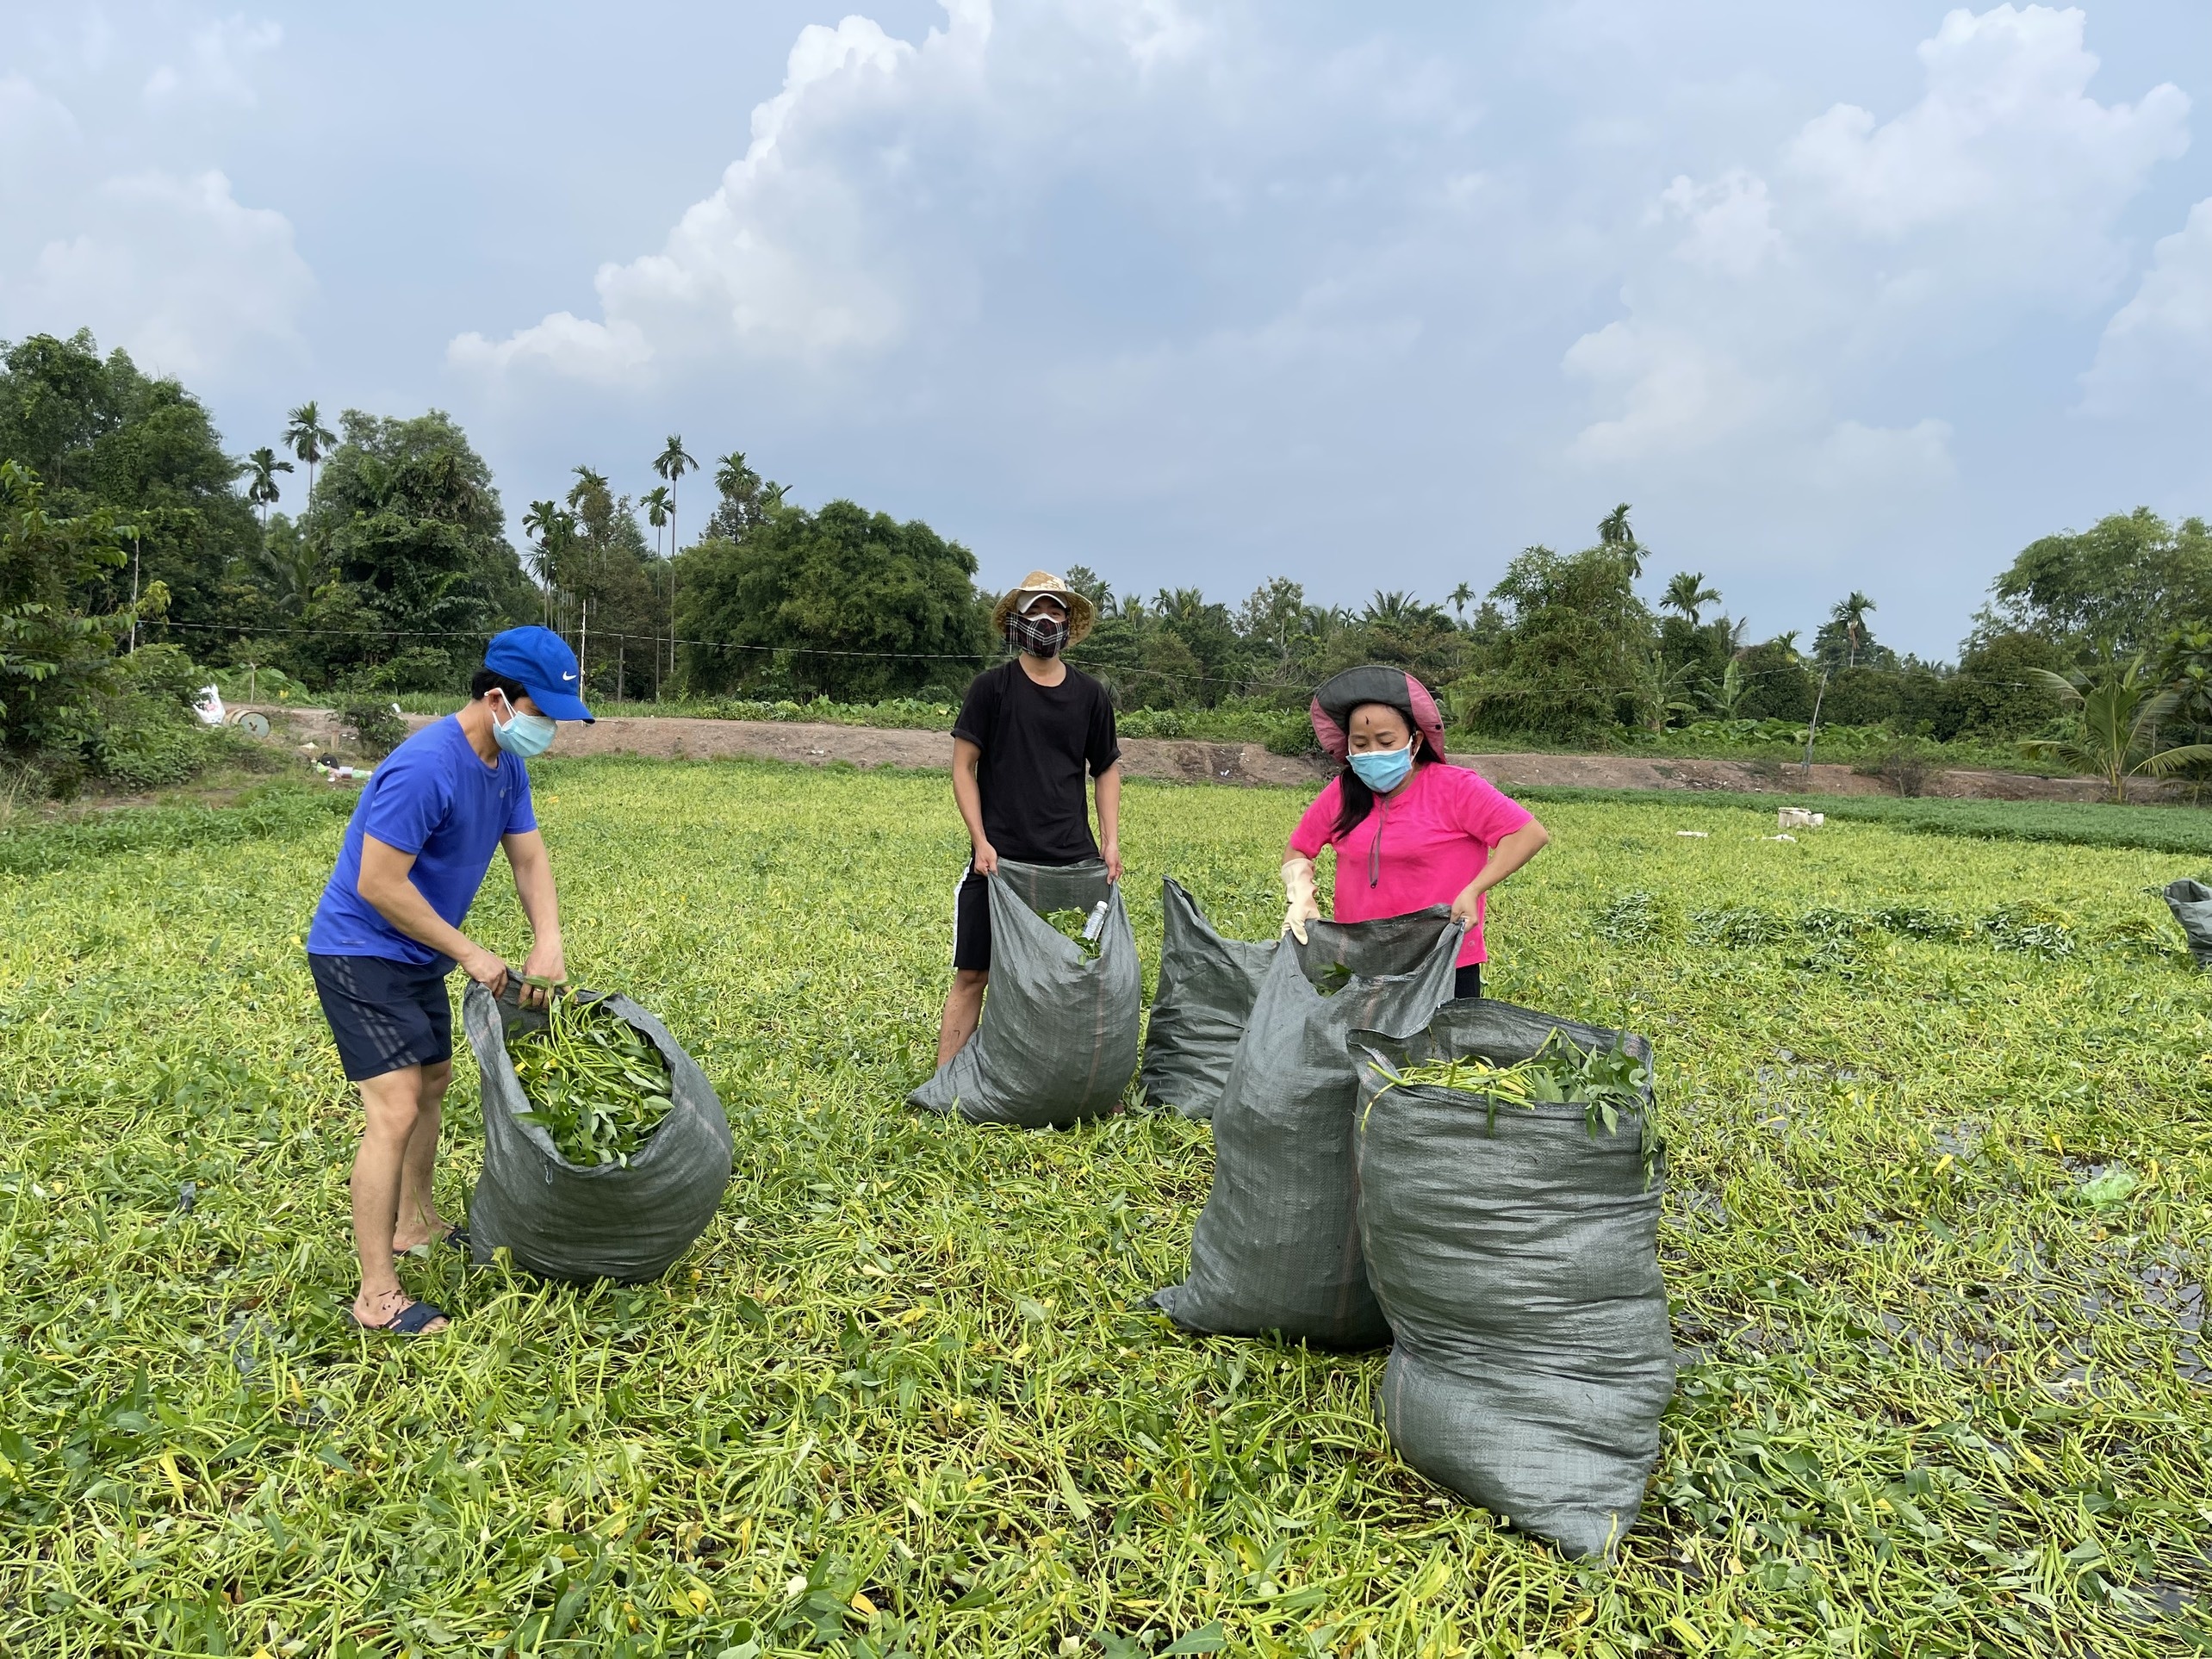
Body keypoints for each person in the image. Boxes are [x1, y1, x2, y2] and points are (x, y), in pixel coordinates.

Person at [305, 626, 592, 1336]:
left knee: (433, 1083)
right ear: (497, 699)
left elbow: (527, 858)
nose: (549, 729)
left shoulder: (505, 766)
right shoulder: (426, 765)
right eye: (542, 714)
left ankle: (416, 1222)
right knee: (396, 1105)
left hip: (415, 956)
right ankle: (377, 1296)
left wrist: (547, 939)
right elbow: (378, 882)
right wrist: (470, 951)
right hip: (360, 950)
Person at [936, 570, 1123, 1066]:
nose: (1046, 619)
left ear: (1068, 623)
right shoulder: (991, 689)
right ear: (1017, 621)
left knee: (1075, 975)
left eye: (1056, 610)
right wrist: (980, 840)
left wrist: (1110, 841)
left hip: (1071, 860)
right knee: (974, 973)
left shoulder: (1089, 696)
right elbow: (963, 767)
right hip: (998, 859)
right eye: (1036, 610)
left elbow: (1106, 768)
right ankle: (945, 1082)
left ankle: (1079, 1082)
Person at [1281, 664, 1547, 998]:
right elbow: (1299, 849)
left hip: (1442, 959)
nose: (1371, 753)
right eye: (1360, 743)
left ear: (1415, 740)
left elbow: (1528, 834)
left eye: (1386, 740)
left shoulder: (1455, 788)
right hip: (1363, 959)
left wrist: (1474, 889)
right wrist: (1299, 892)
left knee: (1442, 1051)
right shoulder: (1342, 792)